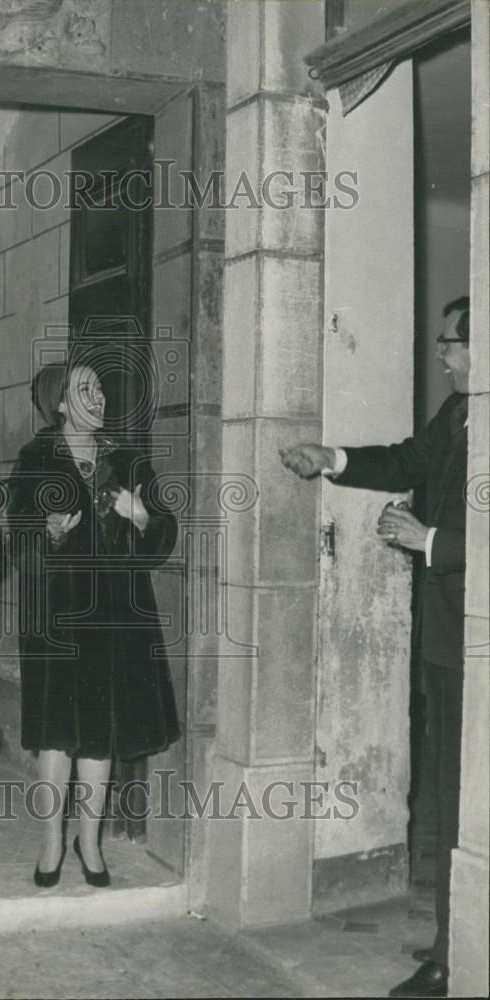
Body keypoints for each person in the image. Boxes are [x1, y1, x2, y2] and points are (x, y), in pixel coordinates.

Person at [279, 297, 471, 999]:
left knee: (466, 807)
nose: (443, 355)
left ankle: (456, 954)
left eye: (451, 344)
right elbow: (405, 460)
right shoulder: (455, 415)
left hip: (479, 646)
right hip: (448, 644)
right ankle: (455, 943)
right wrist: (329, 457)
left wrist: (429, 542)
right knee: (450, 803)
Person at [6, 361, 180, 887]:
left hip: (118, 615)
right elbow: (19, 535)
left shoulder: (127, 460)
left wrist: (142, 516)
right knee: (57, 734)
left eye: (100, 388)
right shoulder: (36, 460)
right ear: (60, 404)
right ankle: (51, 841)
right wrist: (51, 532)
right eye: (85, 390)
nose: (98, 397)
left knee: (101, 732)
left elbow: (164, 530)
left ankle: (90, 842)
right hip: (56, 614)